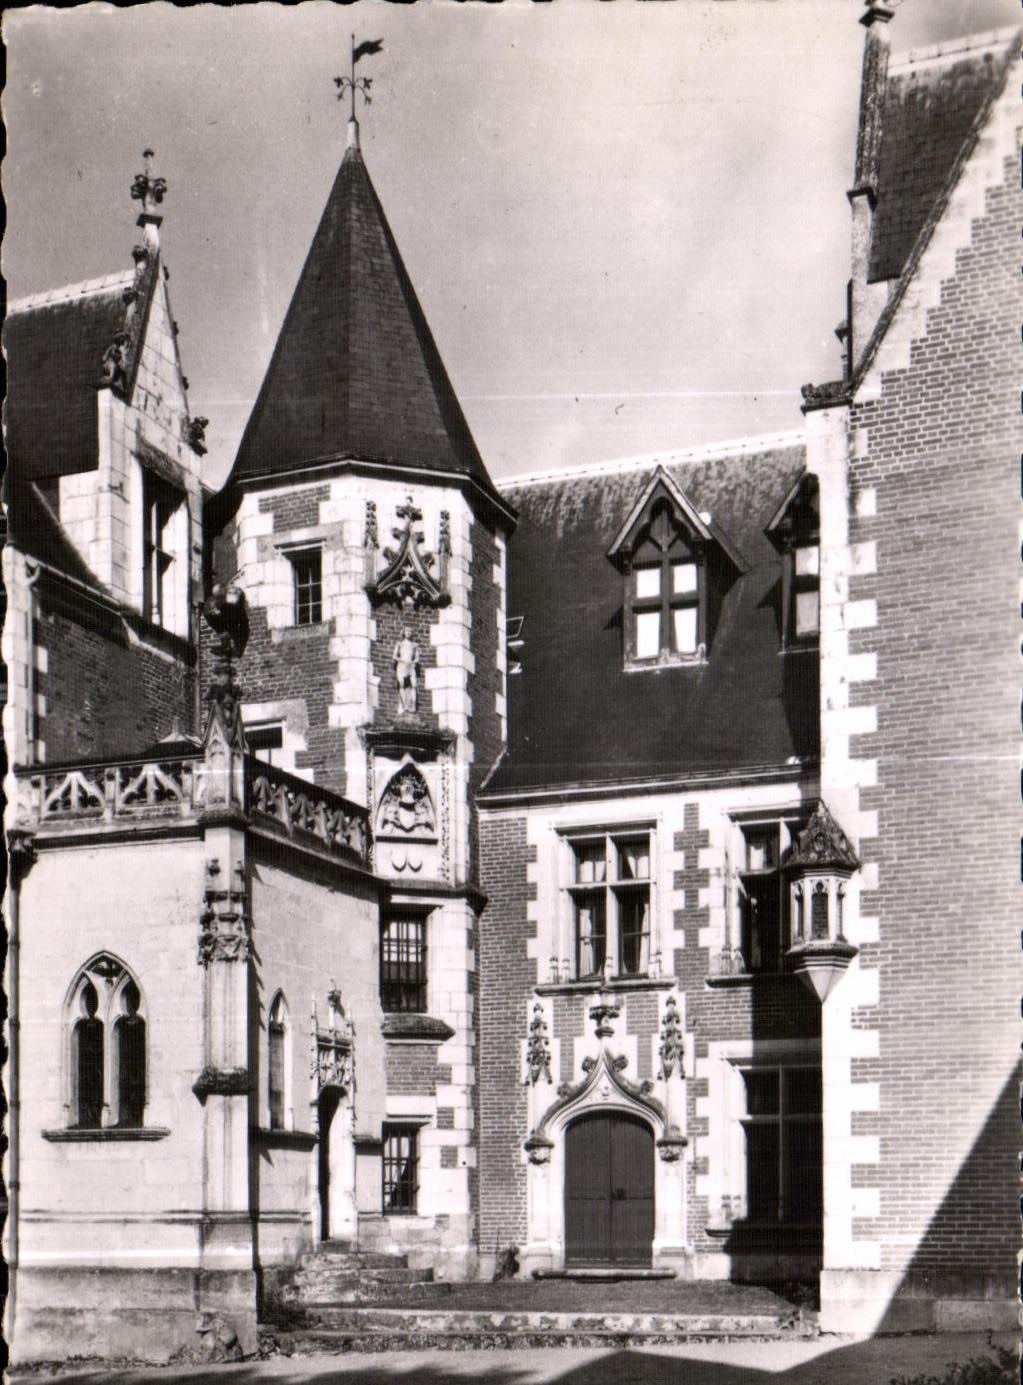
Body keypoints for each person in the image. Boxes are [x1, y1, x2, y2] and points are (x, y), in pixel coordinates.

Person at [394, 625, 419, 714]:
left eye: (410, 632)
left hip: (410, 666)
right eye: (407, 631)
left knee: (414, 685)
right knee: (401, 684)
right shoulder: (399, 644)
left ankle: (412, 706)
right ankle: (403, 705)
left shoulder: (414, 645)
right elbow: (394, 656)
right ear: (404, 633)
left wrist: (413, 662)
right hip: (402, 665)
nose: (408, 633)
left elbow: (417, 658)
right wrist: (401, 661)